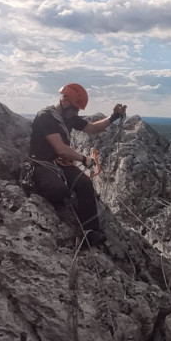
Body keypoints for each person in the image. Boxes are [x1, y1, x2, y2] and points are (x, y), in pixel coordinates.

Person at [28, 83, 126, 246]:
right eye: (75, 108)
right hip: (41, 163)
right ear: (64, 101)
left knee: (85, 184)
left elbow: (93, 128)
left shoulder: (69, 117)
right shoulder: (45, 116)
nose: (76, 112)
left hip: (60, 163)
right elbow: (60, 148)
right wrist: (83, 159)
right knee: (58, 191)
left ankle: (90, 232)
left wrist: (113, 117)